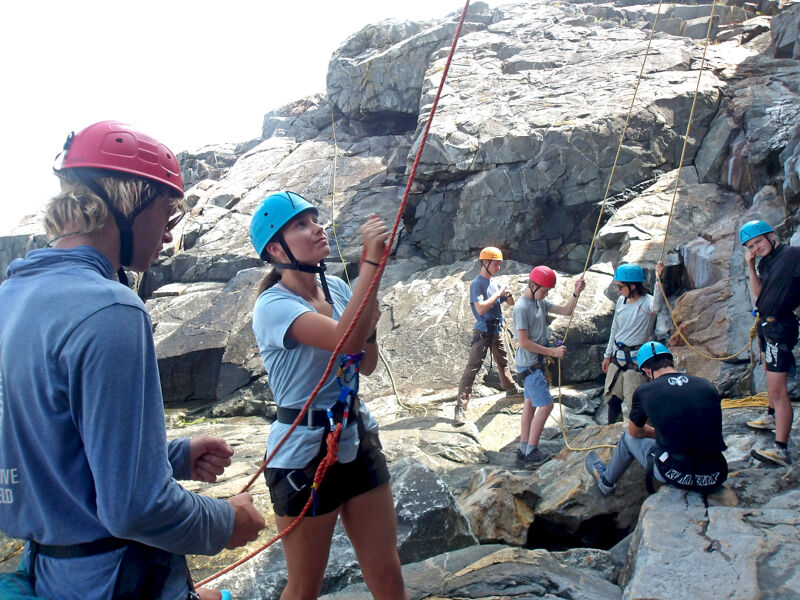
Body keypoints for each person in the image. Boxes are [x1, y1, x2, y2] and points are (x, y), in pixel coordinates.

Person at [0, 121, 266, 599]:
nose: (168, 235)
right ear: (128, 202)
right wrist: (227, 521)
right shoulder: (111, 309)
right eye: (166, 214)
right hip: (115, 579)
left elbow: (51, 446)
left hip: (49, 573)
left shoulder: (11, 297)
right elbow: (135, 509)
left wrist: (171, 455)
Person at [249, 191, 407, 600]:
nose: (317, 228)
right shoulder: (273, 306)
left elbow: (364, 361)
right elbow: (341, 342)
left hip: (355, 436)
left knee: (388, 573)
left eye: (315, 220)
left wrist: (368, 287)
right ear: (275, 248)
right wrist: (370, 264)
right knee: (304, 588)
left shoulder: (336, 288)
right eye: (301, 224)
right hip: (303, 456)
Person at [586, 341, 728, 496]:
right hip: (716, 473)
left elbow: (635, 433)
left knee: (628, 436)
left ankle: (606, 482)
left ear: (647, 371)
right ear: (671, 362)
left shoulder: (646, 391)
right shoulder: (706, 385)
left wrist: (658, 433)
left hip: (678, 475)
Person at [740, 220, 800, 467]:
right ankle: (770, 415)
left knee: (777, 389)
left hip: (780, 326)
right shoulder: (764, 262)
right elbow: (759, 294)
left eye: (758, 243)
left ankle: (781, 449)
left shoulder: (792, 255)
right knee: (768, 374)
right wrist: (751, 266)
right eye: (751, 246)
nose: (756, 248)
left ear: (770, 236)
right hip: (766, 325)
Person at [513, 266, 585, 465]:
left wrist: (576, 293)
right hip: (530, 363)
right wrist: (552, 352)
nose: (545, 294)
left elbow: (567, 311)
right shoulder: (521, 308)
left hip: (535, 361)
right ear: (533, 285)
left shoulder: (539, 302)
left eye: (547, 292)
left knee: (529, 403)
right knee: (546, 405)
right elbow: (524, 342)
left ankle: (523, 448)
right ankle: (531, 452)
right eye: (544, 290)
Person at [455, 246, 521, 424]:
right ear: (485, 262)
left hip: (496, 329)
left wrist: (508, 294)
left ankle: (510, 388)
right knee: (472, 368)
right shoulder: (477, 283)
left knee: (503, 361)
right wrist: (499, 293)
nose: (498, 268)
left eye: (499, 264)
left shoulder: (495, 283)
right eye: (496, 264)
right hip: (483, 330)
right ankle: (460, 407)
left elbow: (511, 303)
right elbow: (481, 308)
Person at [601, 261, 664, 424]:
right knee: (612, 398)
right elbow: (615, 329)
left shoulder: (647, 303)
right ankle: (611, 432)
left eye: (621, 287)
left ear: (633, 286)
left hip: (637, 361)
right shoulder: (621, 301)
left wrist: (658, 279)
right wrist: (608, 355)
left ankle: (642, 436)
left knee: (634, 404)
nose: (618, 290)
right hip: (618, 357)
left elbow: (657, 307)